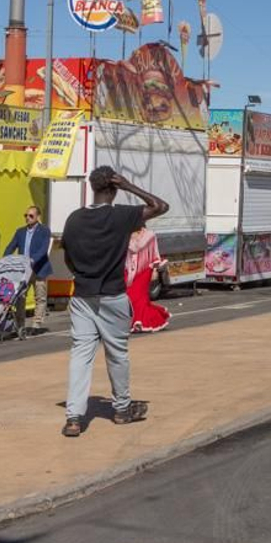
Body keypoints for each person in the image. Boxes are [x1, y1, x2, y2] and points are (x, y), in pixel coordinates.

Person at [59, 166, 168, 438]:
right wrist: (131, 186)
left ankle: (73, 418)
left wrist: (82, 275)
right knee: (117, 353)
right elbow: (160, 206)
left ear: (94, 188)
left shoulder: (74, 219)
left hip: (83, 296)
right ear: (114, 188)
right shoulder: (121, 216)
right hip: (113, 295)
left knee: (80, 355)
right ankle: (121, 409)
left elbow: (68, 256)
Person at [3, 205, 52, 333]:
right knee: (20, 296)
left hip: (39, 268)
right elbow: (11, 246)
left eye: (31, 216)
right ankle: (20, 324)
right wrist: (5, 259)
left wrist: (33, 259)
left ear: (38, 217)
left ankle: (36, 323)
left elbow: (43, 249)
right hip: (23, 270)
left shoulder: (44, 231)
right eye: (26, 215)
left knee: (40, 297)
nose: (27, 218)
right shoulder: (20, 232)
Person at [124, 226, 172, 334]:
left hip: (145, 270)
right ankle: (139, 320)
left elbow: (155, 253)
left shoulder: (149, 235)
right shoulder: (124, 234)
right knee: (128, 297)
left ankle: (138, 322)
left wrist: (154, 270)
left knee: (138, 297)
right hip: (128, 270)